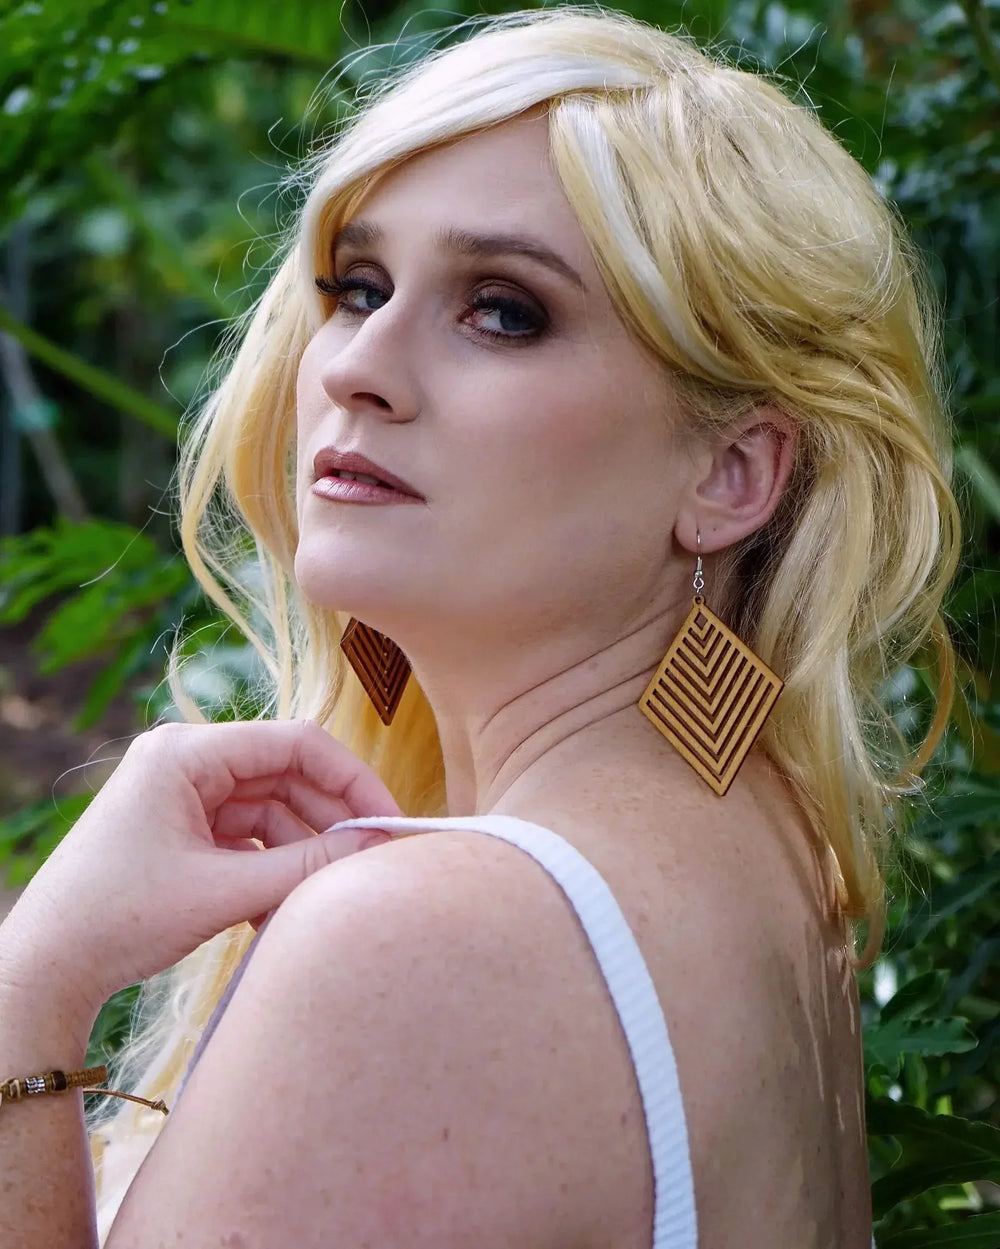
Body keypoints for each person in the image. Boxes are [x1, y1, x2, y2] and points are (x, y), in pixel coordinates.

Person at [0, 5, 960, 1247]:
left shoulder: (431, 937)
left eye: (503, 309)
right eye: (358, 286)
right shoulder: (768, 851)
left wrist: (35, 984)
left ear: (731, 476)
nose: (358, 364)